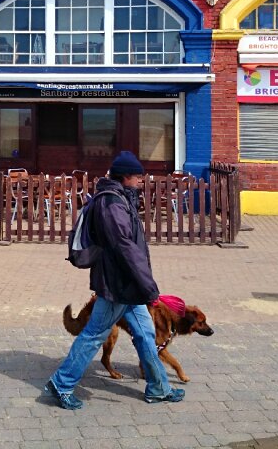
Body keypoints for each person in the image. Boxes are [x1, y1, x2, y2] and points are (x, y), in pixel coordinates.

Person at [44, 151, 185, 409]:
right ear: (125, 177)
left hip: (128, 285)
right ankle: (62, 383)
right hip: (117, 285)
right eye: (138, 176)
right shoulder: (111, 204)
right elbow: (125, 248)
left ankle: (158, 387)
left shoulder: (121, 199)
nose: (141, 181)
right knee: (94, 334)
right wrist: (149, 287)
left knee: (145, 334)